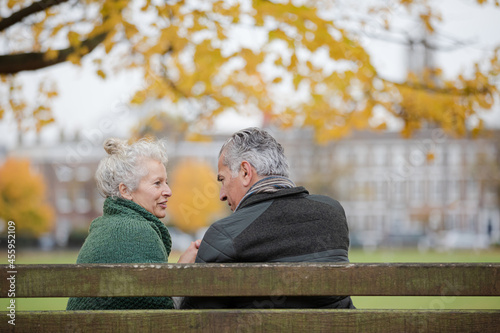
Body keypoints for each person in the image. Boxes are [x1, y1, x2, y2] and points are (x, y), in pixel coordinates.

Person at [181, 127, 355, 309]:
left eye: (222, 180)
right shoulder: (332, 212)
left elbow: (195, 321)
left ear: (245, 172)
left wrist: (182, 273)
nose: (222, 195)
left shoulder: (224, 235)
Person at [67, 138, 200, 310]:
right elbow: (162, 316)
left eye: (166, 182)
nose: (168, 191)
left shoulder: (103, 227)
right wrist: (182, 270)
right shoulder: (139, 233)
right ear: (126, 191)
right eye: (157, 183)